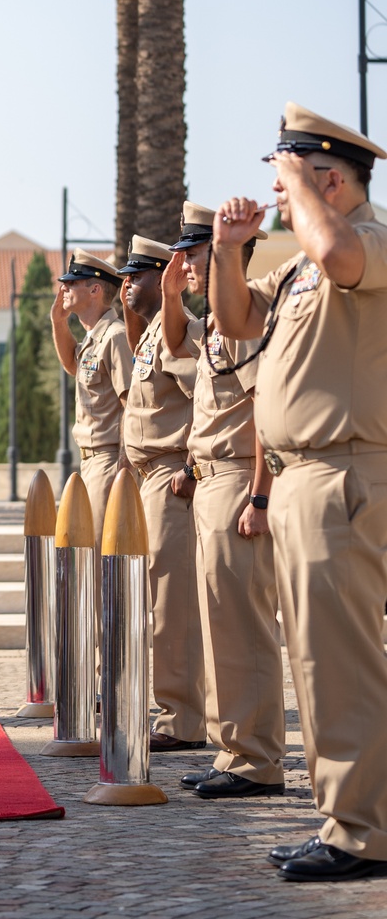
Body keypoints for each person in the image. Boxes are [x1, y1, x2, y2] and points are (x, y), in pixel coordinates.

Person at [211, 102, 387, 882]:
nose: (278, 194)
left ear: (328, 178)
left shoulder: (365, 240)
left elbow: (342, 253)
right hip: (298, 477)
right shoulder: (301, 264)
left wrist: (298, 191)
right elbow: (238, 320)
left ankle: (365, 831)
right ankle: (341, 819)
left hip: (344, 471)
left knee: (342, 661)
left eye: (287, 177)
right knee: (316, 663)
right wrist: (228, 251)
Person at [160, 202, 284, 801]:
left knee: (244, 626)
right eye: (182, 257)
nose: (184, 266)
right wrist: (169, 292)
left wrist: (260, 495)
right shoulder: (214, 322)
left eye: (195, 256)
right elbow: (171, 346)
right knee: (219, 626)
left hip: (239, 480)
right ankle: (233, 749)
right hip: (211, 481)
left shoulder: (247, 322)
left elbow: (264, 410)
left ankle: (257, 760)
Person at [120, 233, 206, 751]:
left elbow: (210, 400)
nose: (125, 283)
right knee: (159, 598)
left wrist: (192, 469)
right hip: (148, 476)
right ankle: (179, 711)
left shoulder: (182, 334)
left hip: (171, 476)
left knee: (173, 603)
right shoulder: (153, 334)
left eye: (136, 275)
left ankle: (181, 719)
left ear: (164, 276)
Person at [50, 250, 131, 548]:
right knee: (86, 557)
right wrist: (59, 323)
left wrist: (124, 468)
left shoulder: (115, 336)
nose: (64, 289)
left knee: (98, 556)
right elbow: (74, 365)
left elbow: (130, 404)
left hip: (109, 461)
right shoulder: (94, 337)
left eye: (73, 283)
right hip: (90, 462)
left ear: (95, 289)